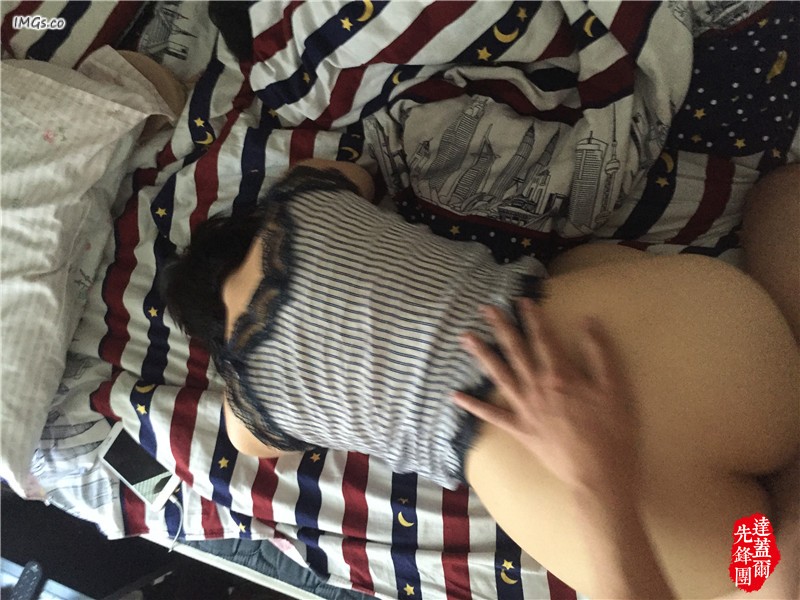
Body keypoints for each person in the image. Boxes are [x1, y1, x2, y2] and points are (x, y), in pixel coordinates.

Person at [163, 159, 798, 599]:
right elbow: (351, 174)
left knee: (754, 569)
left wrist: (238, 365)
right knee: (592, 261)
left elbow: (244, 441)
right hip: (736, 347)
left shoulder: (253, 398)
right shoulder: (300, 199)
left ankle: (772, 519)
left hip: (677, 523)